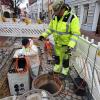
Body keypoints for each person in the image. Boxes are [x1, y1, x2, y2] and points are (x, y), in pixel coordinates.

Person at [39, 0, 80, 79]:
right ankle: (57, 70)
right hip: (57, 44)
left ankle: (65, 72)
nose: (57, 13)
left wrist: (70, 45)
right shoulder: (55, 18)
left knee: (65, 60)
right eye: (56, 12)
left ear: (63, 8)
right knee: (57, 58)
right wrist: (43, 35)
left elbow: (75, 33)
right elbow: (50, 29)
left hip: (66, 45)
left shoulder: (72, 18)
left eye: (58, 11)